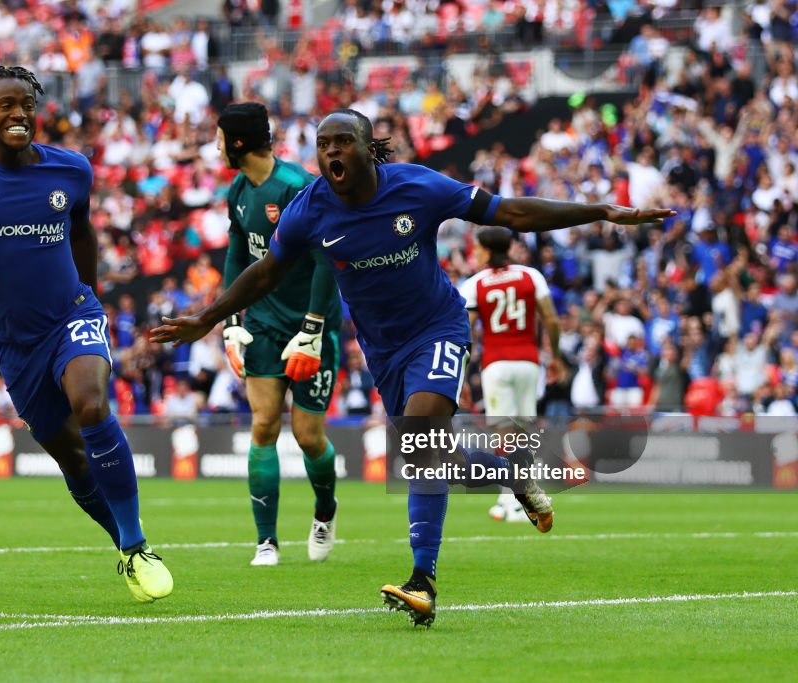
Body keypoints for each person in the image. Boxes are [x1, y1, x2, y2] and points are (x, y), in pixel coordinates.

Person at [150, 108, 673, 627]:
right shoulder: (309, 210)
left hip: (438, 329)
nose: (332, 151)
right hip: (383, 351)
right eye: (323, 143)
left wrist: (600, 210)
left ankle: (422, 581)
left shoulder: (417, 187)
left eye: (343, 142)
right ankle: (512, 475)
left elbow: (510, 213)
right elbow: (265, 273)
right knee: (435, 453)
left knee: (421, 445)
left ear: (367, 147)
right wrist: (207, 318)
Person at [0, 65, 173, 603]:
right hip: (14, 341)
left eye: (27, 104)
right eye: (6, 105)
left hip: (72, 316)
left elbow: (84, 230)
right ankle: (123, 546)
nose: (19, 114)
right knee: (71, 457)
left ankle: (139, 546)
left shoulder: (71, 171)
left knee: (91, 404)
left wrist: (91, 302)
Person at [216, 102, 343, 567]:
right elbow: (235, 253)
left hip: (312, 324)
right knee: (264, 423)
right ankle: (266, 540)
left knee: (309, 436)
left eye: (219, 137)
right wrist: (232, 321)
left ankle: (325, 511)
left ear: (238, 142)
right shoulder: (238, 190)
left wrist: (313, 327)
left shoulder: (297, 188)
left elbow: (326, 260)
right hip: (264, 324)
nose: (215, 145)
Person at [458, 226, 560, 523]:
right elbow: (551, 320)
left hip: (497, 364)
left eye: (477, 249)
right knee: (525, 429)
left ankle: (513, 499)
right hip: (529, 362)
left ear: (487, 251)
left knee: (503, 432)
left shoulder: (475, 284)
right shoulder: (531, 275)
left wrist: (462, 375)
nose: (474, 254)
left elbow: (468, 333)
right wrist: (554, 356)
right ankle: (517, 496)